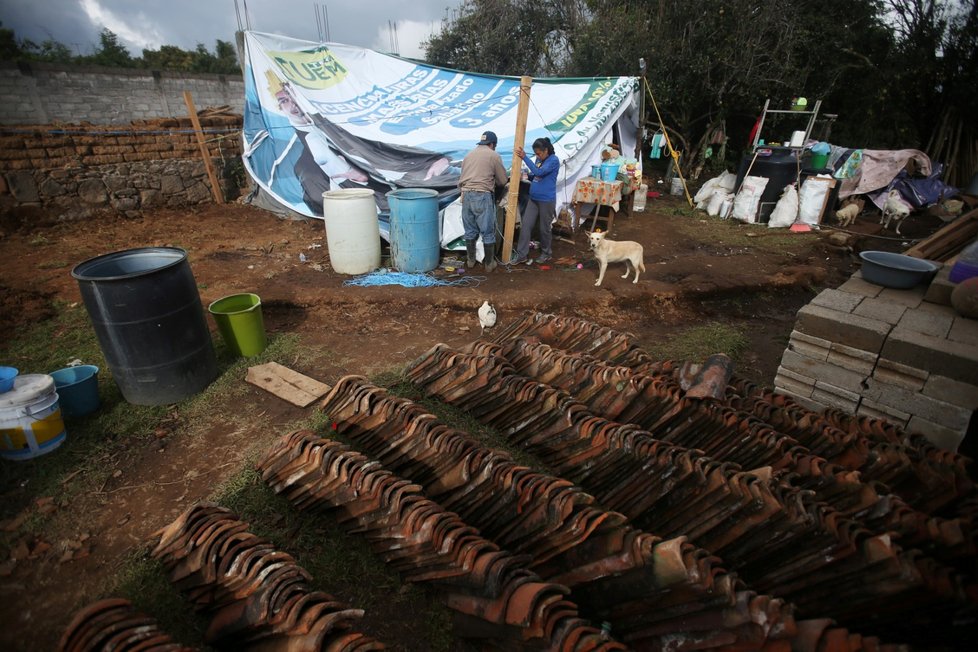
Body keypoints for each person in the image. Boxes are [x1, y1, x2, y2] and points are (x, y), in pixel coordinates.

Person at [459, 131, 509, 271]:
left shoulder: (468, 155)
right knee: (487, 231)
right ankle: (488, 264)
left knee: (470, 230)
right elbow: (503, 180)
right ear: (492, 144)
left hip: (466, 195)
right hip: (482, 194)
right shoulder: (493, 155)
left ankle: (470, 261)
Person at [511, 137, 560, 265]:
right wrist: (527, 174)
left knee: (544, 228)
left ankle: (546, 253)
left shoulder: (553, 160)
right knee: (526, 226)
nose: (537, 156)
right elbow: (536, 175)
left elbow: (540, 171)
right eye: (536, 154)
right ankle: (522, 255)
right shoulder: (539, 159)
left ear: (546, 150)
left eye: (539, 153)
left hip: (546, 200)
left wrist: (525, 158)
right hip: (534, 199)